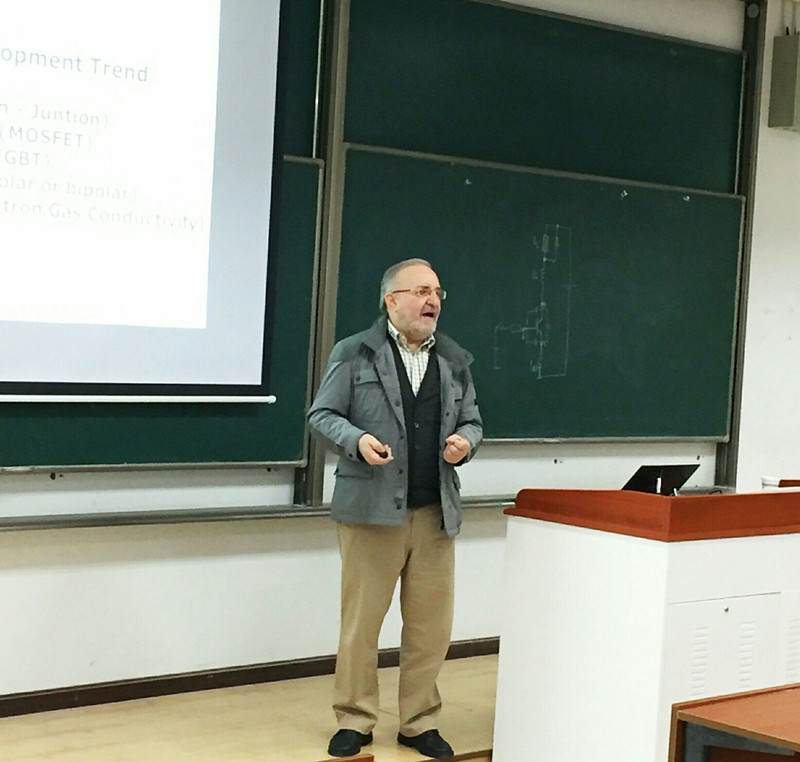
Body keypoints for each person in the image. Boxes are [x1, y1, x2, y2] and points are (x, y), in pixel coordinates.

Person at [307, 258, 483, 760]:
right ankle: (355, 719)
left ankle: (418, 722)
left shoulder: (453, 359)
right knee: (361, 626)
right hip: (370, 513)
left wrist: (465, 443)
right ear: (392, 300)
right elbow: (322, 413)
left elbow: (473, 421)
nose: (433, 301)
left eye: (437, 292)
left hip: (435, 515)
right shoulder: (355, 353)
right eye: (422, 291)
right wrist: (356, 440)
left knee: (430, 629)